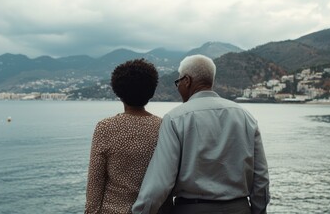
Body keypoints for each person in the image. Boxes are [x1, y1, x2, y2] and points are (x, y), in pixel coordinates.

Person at [132, 54, 270, 214]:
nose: (178, 88)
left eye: (178, 82)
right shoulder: (245, 117)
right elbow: (261, 177)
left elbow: (160, 183)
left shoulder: (175, 119)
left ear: (187, 81)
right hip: (240, 208)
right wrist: (259, 211)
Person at [85, 59, 162, 214]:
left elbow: (95, 183)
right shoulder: (164, 127)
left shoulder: (106, 128)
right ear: (151, 92)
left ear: (118, 91)